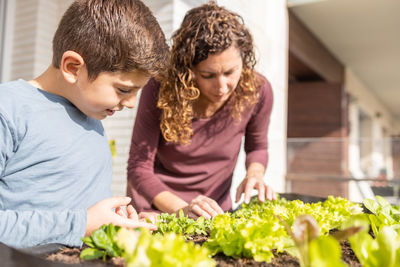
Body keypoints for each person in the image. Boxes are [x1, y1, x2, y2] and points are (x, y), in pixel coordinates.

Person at [0, 0, 169, 248]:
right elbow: (80, 222)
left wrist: (115, 222)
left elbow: (80, 212)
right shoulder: (9, 109)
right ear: (73, 67)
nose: (132, 103)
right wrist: (81, 225)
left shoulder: (91, 117)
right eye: (124, 89)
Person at [127, 2, 276, 220]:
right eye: (208, 75)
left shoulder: (258, 91)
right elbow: (139, 168)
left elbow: (257, 146)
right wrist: (183, 210)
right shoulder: (160, 87)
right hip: (158, 211)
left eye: (230, 72)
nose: (222, 86)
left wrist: (254, 174)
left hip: (214, 214)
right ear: (188, 69)